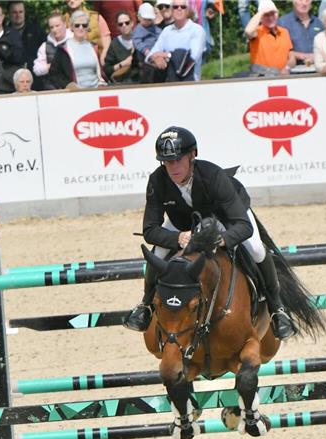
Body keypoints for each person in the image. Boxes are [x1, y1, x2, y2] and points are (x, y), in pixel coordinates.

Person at [124, 126, 296, 340]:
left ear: (192, 155)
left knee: (256, 248)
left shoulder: (213, 176)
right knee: (158, 253)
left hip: (226, 216)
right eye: (167, 161)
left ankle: (277, 310)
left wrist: (222, 240)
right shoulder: (158, 181)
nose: (173, 167)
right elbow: (150, 230)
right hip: (184, 223)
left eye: (178, 160)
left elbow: (243, 226)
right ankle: (145, 305)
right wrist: (177, 238)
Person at [148, 1, 206, 81]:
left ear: (187, 10)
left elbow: (192, 58)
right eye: (175, 7)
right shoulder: (166, 31)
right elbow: (150, 56)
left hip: (190, 84)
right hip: (168, 83)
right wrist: (155, 59)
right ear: (171, 10)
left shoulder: (197, 30)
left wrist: (166, 55)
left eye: (183, 7)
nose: (179, 9)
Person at [0, 1, 25, 94]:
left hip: (11, 85)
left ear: (3, 16)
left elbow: (18, 58)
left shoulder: (13, 34)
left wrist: (2, 49)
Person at [244, 0, 294, 77]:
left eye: (273, 14)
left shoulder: (284, 32)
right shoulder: (257, 32)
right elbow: (248, 31)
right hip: (262, 78)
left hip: (283, 77)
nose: (270, 18)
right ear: (260, 18)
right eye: (266, 15)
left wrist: (287, 68)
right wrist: (262, 11)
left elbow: (291, 57)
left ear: (277, 14)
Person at [7, 0, 46, 87]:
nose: (18, 15)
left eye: (20, 12)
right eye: (14, 12)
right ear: (9, 14)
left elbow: (46, 53)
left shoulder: (37, 31)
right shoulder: (4, 34)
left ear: (24, 12)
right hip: (11, 83)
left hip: (36, 80)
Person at [33, 12, 76, 90]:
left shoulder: (75, 41)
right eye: (51, 27)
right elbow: (36, 69)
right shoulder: (45, 46)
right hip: (53, 89)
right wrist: (50, 66)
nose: (54, 29)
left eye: (57, 26)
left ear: (64, 24)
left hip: (74, 86)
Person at [279, 0, 324, 70]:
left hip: (318, 71)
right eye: (300, 0)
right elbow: (278, 50)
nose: (304, 3)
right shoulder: (283, 23)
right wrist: (299, 55)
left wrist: (317, 56)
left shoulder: (319, 23)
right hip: (293, 73)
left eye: (307, 0)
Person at [65, 0, 111, 64]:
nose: (71, 1)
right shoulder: (63, 21)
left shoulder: (96, 17)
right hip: (72, 64)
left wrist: (103, 57)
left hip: (97, 61)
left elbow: (106, 39)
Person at [68, 10, 105, 88]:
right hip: (75, 93)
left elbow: (100, 73)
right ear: (71, 27)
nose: (81, 28)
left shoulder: (94, 46)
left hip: (95, 91)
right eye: (77, 25)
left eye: (84, 25)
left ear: (88, 27)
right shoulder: (64, 48)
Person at [133, 3, 166, 83]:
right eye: (145, 19)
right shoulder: (138, 30)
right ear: (139, 17)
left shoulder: (155, 28)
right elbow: (137, 42)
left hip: (157, 52)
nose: (147, 22)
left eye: (150, 19)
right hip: (144, 56)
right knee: (148, 71)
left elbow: (161, 36)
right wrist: (145, 50)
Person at [104, 11, 139, 83]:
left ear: (132, 23)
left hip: (140, 84)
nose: (124, 25)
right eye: (120, 24)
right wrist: (123, 64)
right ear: (117, 27)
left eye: (127, 23)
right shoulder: (114, 44)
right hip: (122, 85)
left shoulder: (140, 40)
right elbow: (107, 69)